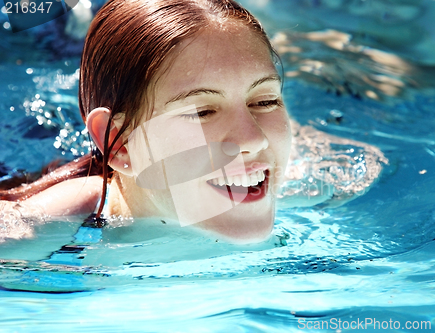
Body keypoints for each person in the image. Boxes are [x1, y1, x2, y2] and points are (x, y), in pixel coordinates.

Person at [0, 0, 292, 244]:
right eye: (201, 112)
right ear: (120, 144)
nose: (255, 139)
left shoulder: (308, 185)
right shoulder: (39, 230)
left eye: (265, 102)